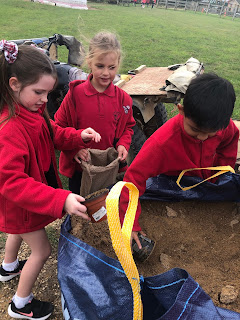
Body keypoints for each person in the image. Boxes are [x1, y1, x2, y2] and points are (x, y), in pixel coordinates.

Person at [0, 41, 101, 320]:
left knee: (17, 231)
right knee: (42, 250)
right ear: (14, 84)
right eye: (39, 92)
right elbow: (12, 183)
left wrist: (78, 136)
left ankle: (8, 268)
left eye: (48, 93)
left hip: (23, 206)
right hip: (22, 203)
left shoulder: (32, 110)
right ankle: (21, 304)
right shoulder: (9, 129)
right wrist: (61, 198)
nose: (46, 99)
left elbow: (53, 132)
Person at [119, 73, 239, 249]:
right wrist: (130, 224)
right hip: (174, 183)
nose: (202, 137)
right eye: (195, 129)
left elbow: (230, 139)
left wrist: (220, 172)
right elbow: (133, 178)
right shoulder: (162, 143)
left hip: (204, 179)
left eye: (210, 133)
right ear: (181, 110)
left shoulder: (223, 126)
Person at [54, 31, 135, 195]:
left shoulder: (123, 99)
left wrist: (122, 144)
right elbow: (58, 127)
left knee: (103, 206)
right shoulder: (75, 94)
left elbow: (128, 127)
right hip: (80, 167)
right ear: (89, 62)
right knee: (80, 208)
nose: (106, 73)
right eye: (100, 66)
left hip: (107, 168)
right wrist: (74, 149)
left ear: (118, 64)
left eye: (112, 67)